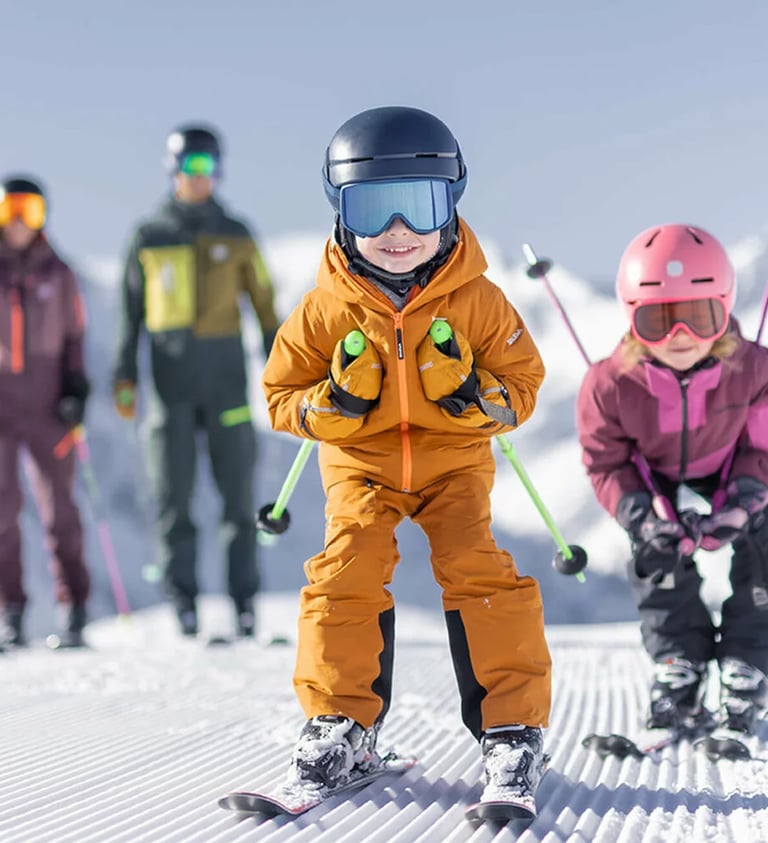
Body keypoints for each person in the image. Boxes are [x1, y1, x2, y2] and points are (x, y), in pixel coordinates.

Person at [261, 106, 551, 807]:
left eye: (418, 208)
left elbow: (524, 385)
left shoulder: (479, 301)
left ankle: (510, 728)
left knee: (479, 570)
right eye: (373, 209)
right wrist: (327, 405)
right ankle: (341, 722)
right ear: (340, 210)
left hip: (453, 464)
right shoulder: (325, 310)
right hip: (360, 464)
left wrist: (471, 397)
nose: (397, 233)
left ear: (450, 202)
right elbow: (280, 394)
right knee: (346, 568)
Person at [577, 223, 768, 735]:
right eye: (658, 320)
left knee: (765, 538)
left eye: (699, 317)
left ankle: (749, 659)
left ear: (724, 308)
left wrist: (742, 503)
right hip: (652, 473)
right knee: (656, 552)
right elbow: (606, 462)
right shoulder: (610, 384)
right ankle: (677, 664)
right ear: (630, 317)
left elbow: (762, 447)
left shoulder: (754, 369)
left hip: (730, 465)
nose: (680, 337)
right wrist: (641, 515)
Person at [112, 123, 280, 639]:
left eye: (207, 166)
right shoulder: (149, 235)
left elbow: (265, 305)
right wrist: (125, 372)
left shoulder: (237, 232)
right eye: (189, 166)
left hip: (227, 383)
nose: (198, 177)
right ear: (173, 170)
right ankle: (183, 603)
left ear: (219, 170)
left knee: (237, 499)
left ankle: (243, 603)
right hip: (170, 389)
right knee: (174, 500)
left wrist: (281, 359)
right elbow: (129, 314)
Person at [0, 176, 91, 647]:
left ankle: (74, 607)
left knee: (58, 511)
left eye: (29, 210)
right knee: (1, 512)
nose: (18, 221)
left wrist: (75, 387)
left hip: (48, 405)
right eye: (10, 208)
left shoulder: (59, 274)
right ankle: (10, 612)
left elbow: (75, 337)